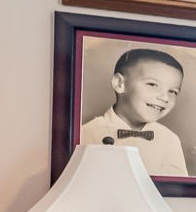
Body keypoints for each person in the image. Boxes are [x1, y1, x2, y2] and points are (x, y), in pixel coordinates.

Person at [80, 46, 189, 175]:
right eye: (152, 85)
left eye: (172, 92)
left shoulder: (169, 140)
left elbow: (177, 189)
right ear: (119, 84)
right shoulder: (87, 134)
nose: (165, 97)